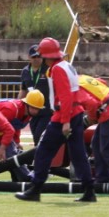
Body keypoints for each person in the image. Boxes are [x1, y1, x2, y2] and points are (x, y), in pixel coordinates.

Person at [15, 37, 96, 203]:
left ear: (47, 55)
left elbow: (65, 97)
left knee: (43, 150)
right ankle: (89, 191)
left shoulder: (57, 70)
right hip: (75, 113)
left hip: (64, 116)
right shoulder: (66, 66)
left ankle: (35, 189)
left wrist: (65, 121)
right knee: (78, 154)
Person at [17, 43, 52, 144]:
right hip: (32, 111)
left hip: (46, 110)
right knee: (35, 136)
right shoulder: (25, 71)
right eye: (34, 56)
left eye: (39, 56)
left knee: (39, 135)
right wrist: (18, 104)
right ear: (29, 57)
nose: (36, 58)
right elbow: (23, 90)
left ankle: (41, 157)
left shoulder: (48, 69)